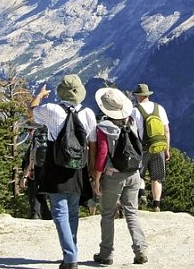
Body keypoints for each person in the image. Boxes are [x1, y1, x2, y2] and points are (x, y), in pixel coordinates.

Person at [28, 74, 97, 269]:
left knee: (59, 212)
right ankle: (71, 251)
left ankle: (70, 257)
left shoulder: (52, 110)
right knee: (73, 212)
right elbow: (92, 145)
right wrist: (91, 171)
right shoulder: (88, 114)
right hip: (78, 167)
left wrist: (39, 95)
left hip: (55, 166)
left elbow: (30, 112)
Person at [92, 87, 148, 266]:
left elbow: (102, 154)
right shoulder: (131, 121)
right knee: (132, 212)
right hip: (133, 173)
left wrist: (97, 179)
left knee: (108, 214)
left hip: (113, 175)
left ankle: (106, 254)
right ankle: (141, 250)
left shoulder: (103, 127)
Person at [132, 83, 170, 212]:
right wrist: (167, 149)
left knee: (139, 174)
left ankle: (142, 193)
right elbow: (166, 130)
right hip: (158, 146)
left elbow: (132, 132)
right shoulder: (159, 108)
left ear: (137, 96)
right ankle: (156, 205)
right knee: (157, 177)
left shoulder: (135, 111)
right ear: (148, 95)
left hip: (142, 148)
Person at [20, 126, 52, 220]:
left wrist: (25, 176)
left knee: (35, 193)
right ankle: (47, 215)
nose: (29, 133)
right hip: (50, 171)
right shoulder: (49, 138)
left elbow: (31, 159)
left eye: (30, 131)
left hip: (35, 172)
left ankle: (36, 214)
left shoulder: (36, 141)